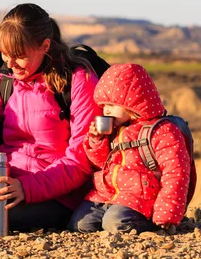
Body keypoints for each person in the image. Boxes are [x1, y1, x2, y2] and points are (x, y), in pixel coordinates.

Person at [0, 3, 102, 233]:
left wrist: (27, 188)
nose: (10, 64)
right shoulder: (2, 81)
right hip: (6, 184)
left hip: (59, 194)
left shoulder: (77, 80)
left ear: (45, 46)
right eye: (5, 54)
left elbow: (82, 159)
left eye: (19, 56)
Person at [68, 63, 191, 233]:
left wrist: (166, 213)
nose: (106, 111)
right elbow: (101, 163)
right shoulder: (115, 128)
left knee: (115, 223)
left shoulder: (161, 131)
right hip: (108, 194)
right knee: (81, 224)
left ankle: (151, 222)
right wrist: (97, 140)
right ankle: (112, 215)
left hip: (142, 199)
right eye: (104, 106)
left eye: (111, 105)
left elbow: (176, 172)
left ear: (132, 101)